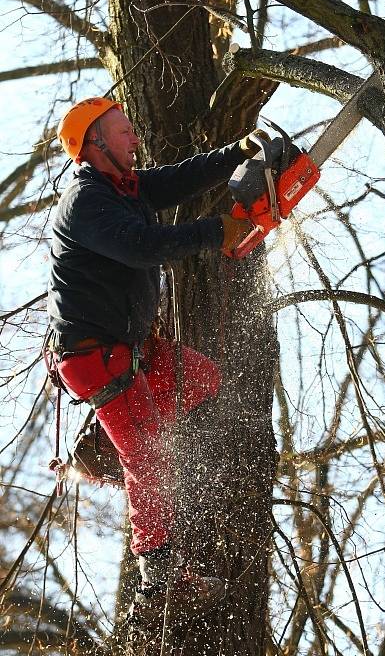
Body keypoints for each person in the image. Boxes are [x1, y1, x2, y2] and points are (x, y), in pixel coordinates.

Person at [46, 96, 263, 625]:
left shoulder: (126, 187)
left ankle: (104, 450)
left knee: (202, 378)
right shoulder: (85, 201)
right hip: (93, 354)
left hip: (135, 348)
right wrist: (215, 232)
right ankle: (159, 577)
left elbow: (174, 179)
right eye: (123, 133)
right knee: (149, 460)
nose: (134, 139)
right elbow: (142, 247)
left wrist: (235, 154)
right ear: (94, 145)